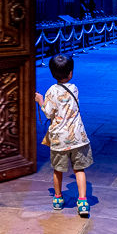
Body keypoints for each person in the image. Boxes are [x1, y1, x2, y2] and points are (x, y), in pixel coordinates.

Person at [35, 54, 94, 218]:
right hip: (77, 137)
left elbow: (48, 113)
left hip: (60, 139)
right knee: (79, 169)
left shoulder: (51, 91)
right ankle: (82, 201)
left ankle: (58, 198)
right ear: (71, 73)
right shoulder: (74, 88)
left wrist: (40, 100)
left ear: (52, 73)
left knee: (58, 170)